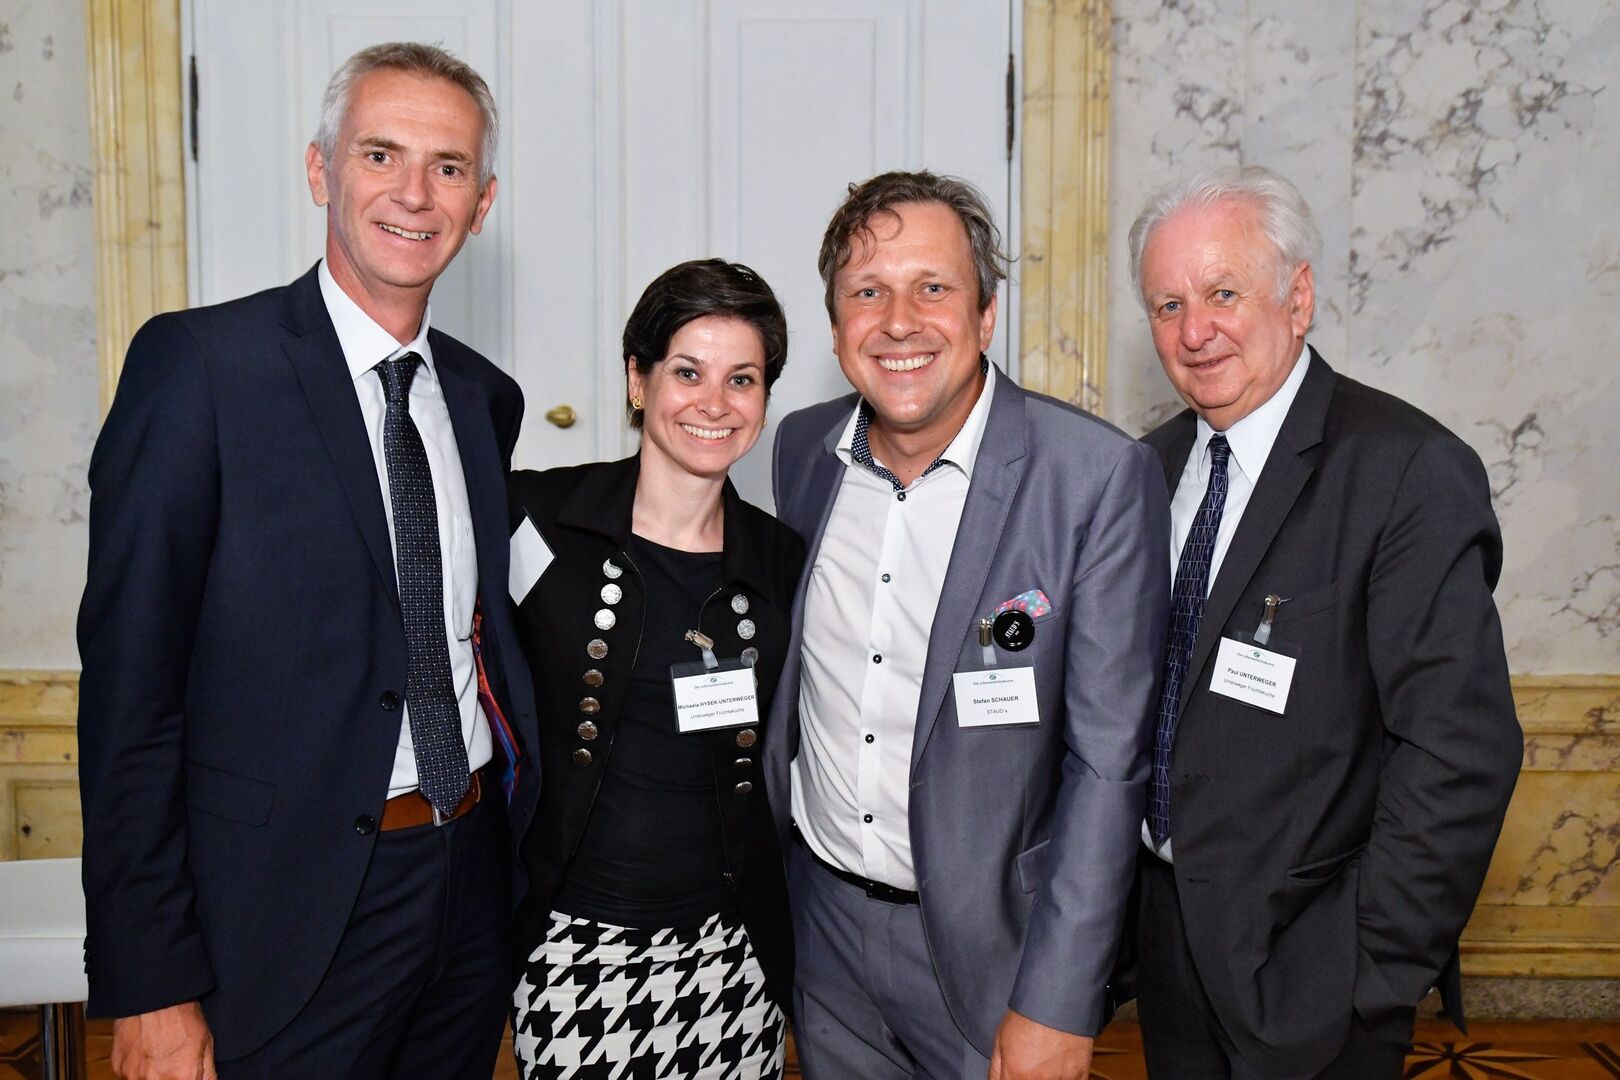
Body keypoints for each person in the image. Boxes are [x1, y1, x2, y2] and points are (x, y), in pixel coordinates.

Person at [76, 42, 538, 1079]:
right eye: (380, 154)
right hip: (281, 913)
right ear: (321, 170)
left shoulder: (481, 398)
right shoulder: (199, 370)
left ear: (482, 203)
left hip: (466, 885)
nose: (414, 193)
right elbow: (128, 698)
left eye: (449, 167)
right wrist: (150, 979)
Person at [1118, 164, 1522, 1079]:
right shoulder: (1144, 470)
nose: (1194, 331)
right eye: (1168, 304)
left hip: (1317, 972)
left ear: (1297, 298)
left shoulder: (1405, 471)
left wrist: (1364, 971)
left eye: (1223, 293)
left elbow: (1459, 752)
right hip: (1168, 958)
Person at [764, 171, 1170, 1080]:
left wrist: (1059, 999)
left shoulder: (1094, 478)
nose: (899, 322)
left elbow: (1108, 766)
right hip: (822, 931)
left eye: (932, 288)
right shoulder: (802, 452)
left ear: (986, 315)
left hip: (996, 955)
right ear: (836, 326)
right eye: (868, 292)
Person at [505, 258, 803, 1079]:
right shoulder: (537, 519)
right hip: (574, 949)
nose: (715, 403)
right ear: (638, 380)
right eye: (687, 372)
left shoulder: (781, 559)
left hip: (730, 954)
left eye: (742, 379)